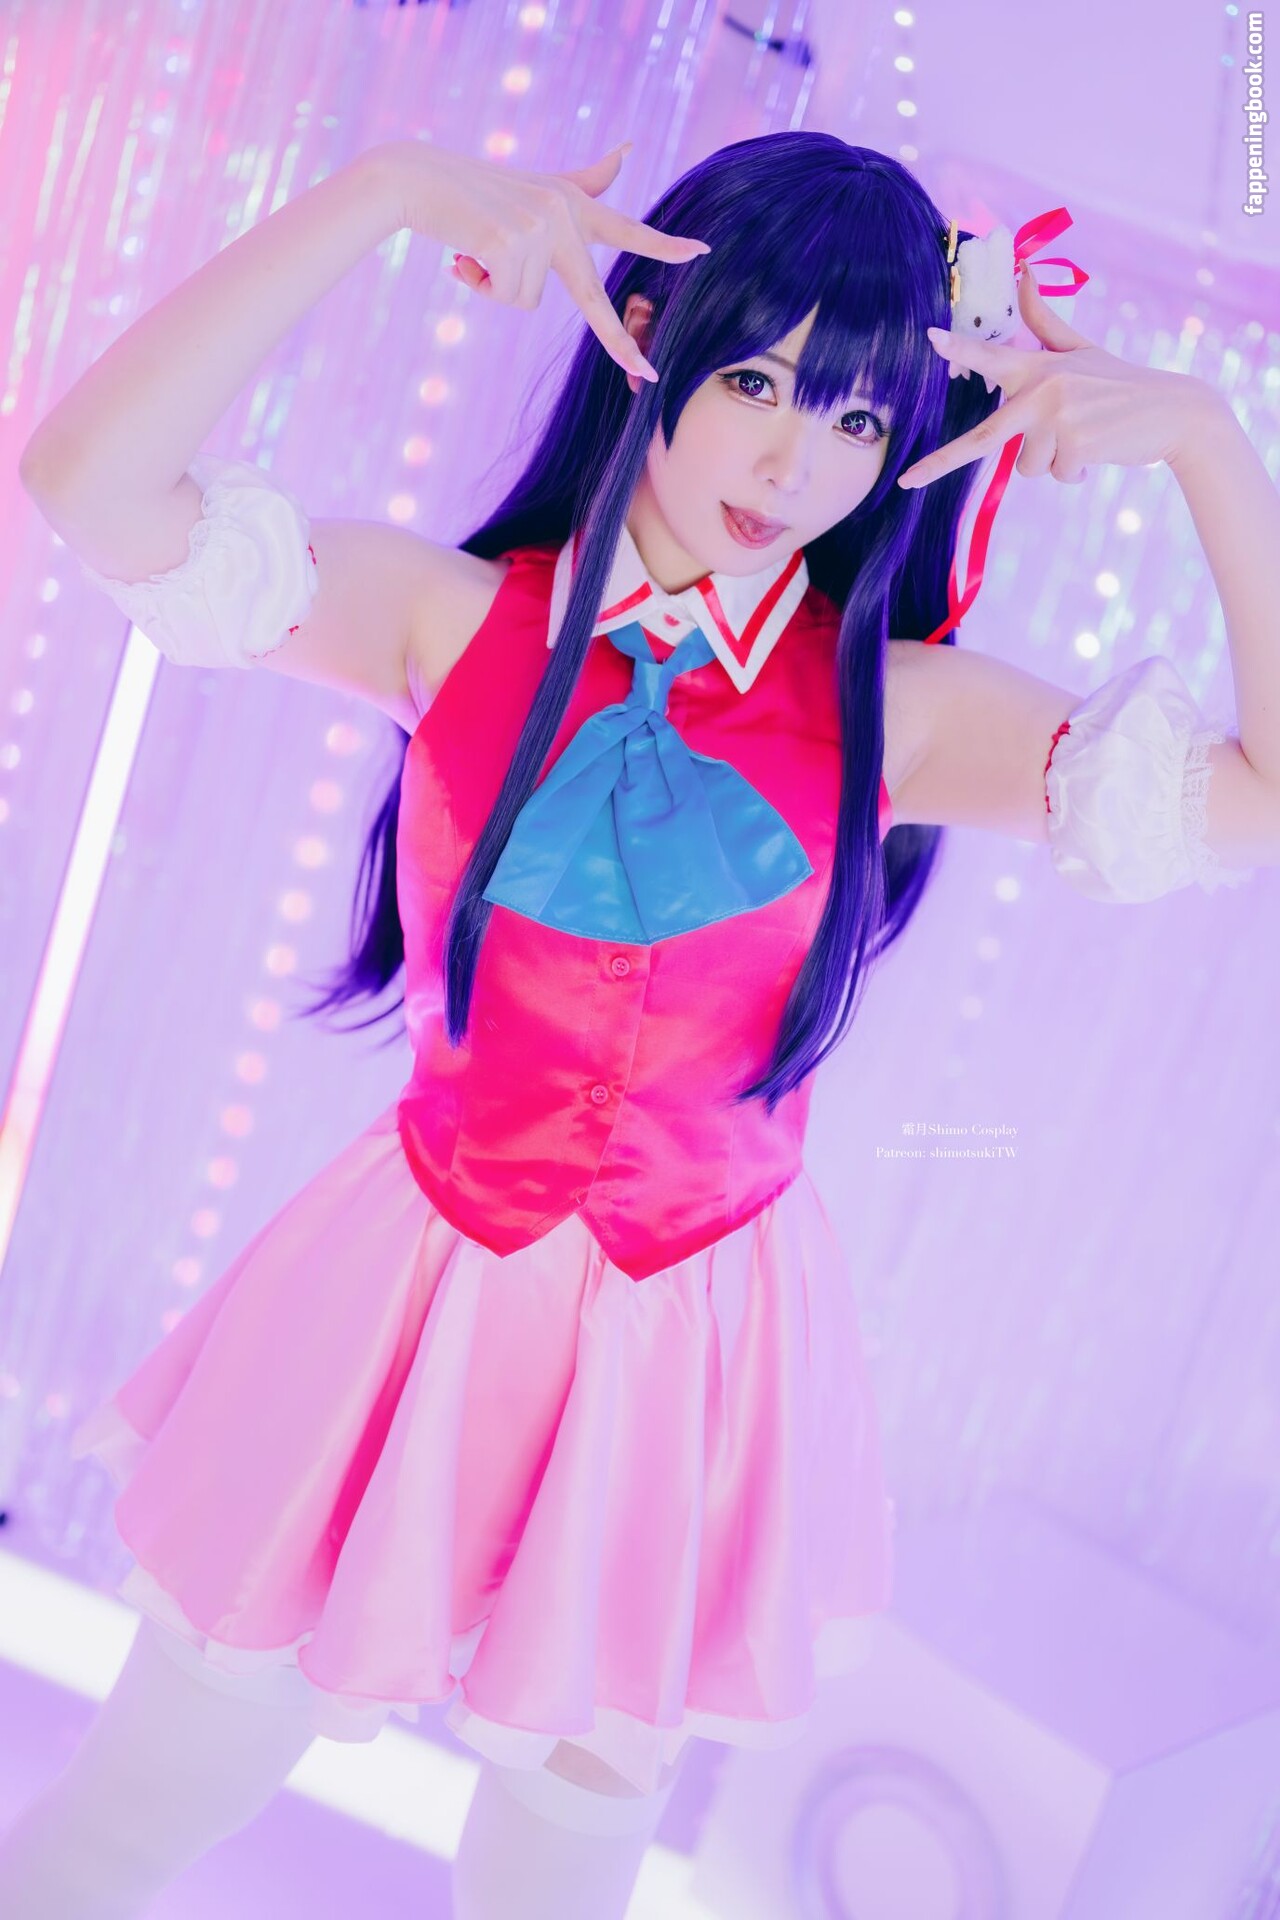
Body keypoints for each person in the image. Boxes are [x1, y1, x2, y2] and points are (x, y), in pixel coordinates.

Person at [7, 125, 1273, 1919]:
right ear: (647, 337)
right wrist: (381, 193)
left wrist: (1214, 444)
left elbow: (1264, 799)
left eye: (857, 416)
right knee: (136, 1815)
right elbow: (89, 482)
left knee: (557, 1891)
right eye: (755, 379)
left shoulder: (897, 710)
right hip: (405, 1296)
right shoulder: (449, 617)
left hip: (691, 1346)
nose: (794, 461)